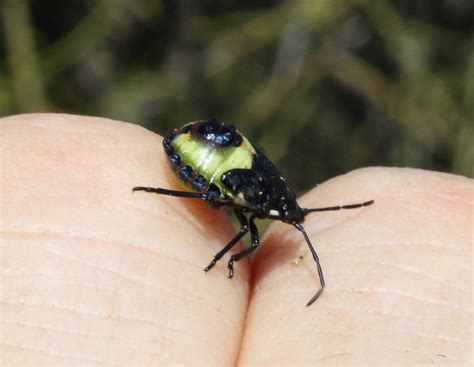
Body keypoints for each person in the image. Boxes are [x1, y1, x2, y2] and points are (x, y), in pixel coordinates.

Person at [1, 114, 472, 365]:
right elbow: (245, 232)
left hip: (219, 145)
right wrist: (224, 259)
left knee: (221, 207)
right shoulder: (265, 206)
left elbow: (249, 229)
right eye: (291, 219)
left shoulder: (274, 199)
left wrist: (227, 259)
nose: (292, 223)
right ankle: (160, 195)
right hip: (202, 152)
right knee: (211, 198)